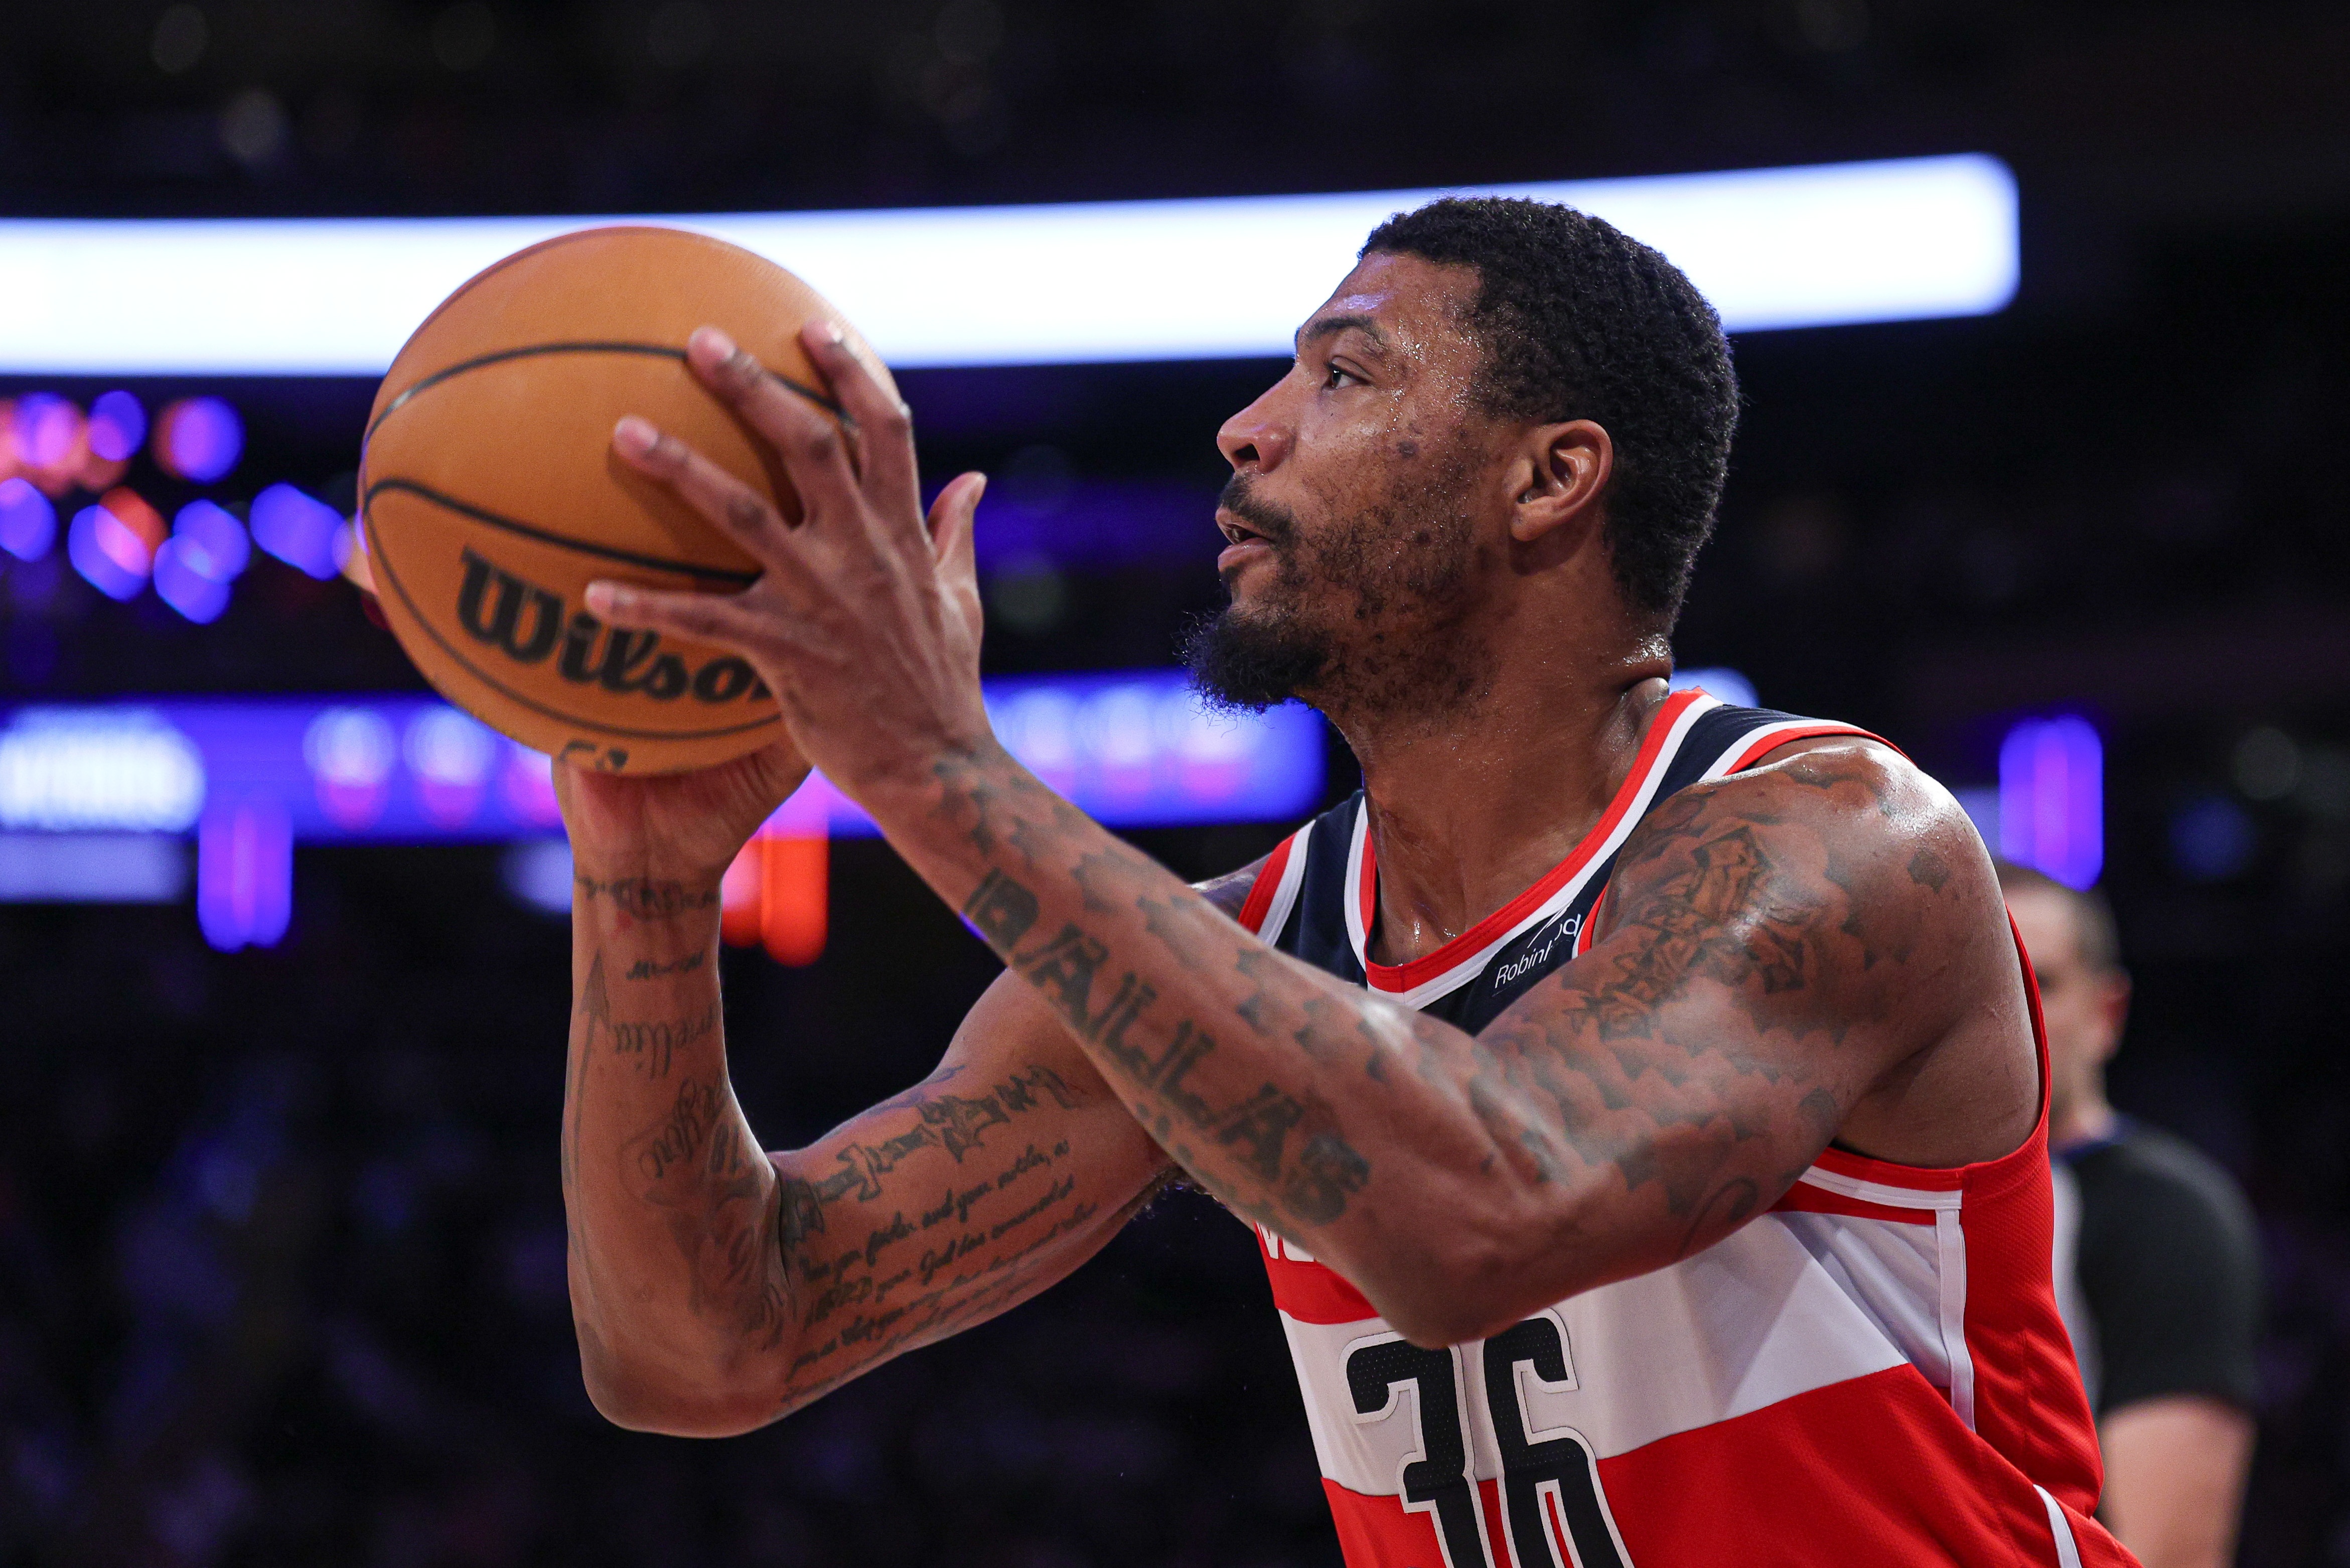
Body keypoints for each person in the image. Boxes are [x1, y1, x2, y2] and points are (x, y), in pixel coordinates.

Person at [552, 197, 2134, 1565]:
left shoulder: (1836, 838)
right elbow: (706, 1345)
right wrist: (645, 885)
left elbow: (1485, 1212)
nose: (1246, 428)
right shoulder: (1231, 945)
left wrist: (933, 770)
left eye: (1343, 373)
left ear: (1548, 476)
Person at [1999, 863, 2260, 1568]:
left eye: (2041, 982)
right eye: (1984, 985)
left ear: (2106, 1014)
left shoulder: (2169, 1216)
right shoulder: (1880, 1199)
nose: (2010, 1012)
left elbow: (2168, 1555)